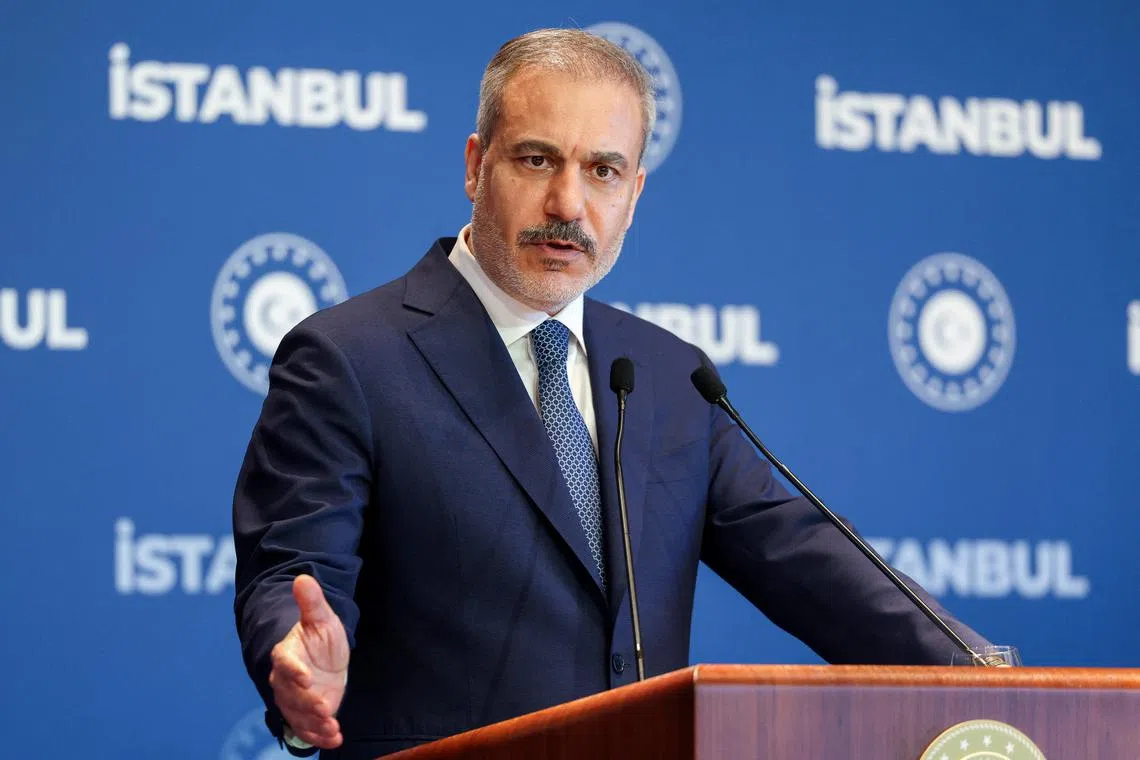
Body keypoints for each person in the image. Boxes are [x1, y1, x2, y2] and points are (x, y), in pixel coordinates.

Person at [232, 28, 991, 760]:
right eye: (537, 160)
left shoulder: (668, 374)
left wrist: (981, 675)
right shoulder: (351, 358)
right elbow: (293, 573)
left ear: (634, 192)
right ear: (475, 165)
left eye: (603, 171)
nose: (568, 203)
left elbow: (802, 555)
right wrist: (297, 663)